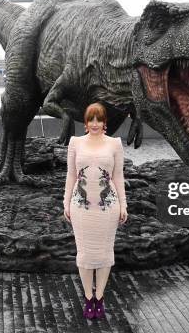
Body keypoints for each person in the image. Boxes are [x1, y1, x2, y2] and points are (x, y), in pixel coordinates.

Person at [63, 102, 128, 320]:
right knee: (84, 254)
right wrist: (65, 203)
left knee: (104, 254)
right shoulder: (75, 142)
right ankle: (88, 297)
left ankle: (99, 297)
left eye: (99, 119)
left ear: (105, 122)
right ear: (85, 121)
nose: (95, 124)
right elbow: (71, 175)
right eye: (91, 119)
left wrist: (124, 205)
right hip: (80, 207)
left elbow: (118, 177)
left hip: (108, 208)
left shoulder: (115, 144)